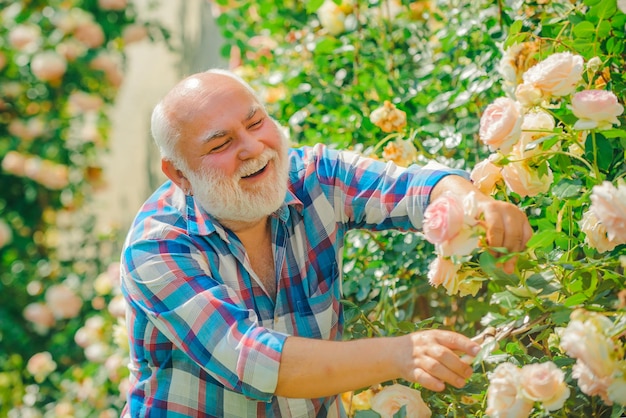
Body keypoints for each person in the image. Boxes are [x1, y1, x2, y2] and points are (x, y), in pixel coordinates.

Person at [119, 68, 533, 417]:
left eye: (255, 122)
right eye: (221, 144)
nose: (251, 148)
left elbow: (416, 188)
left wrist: (473, 202)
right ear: (179, 175)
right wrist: (400, 354)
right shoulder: (157, 248)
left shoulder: (313, 175)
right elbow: (257, 361)